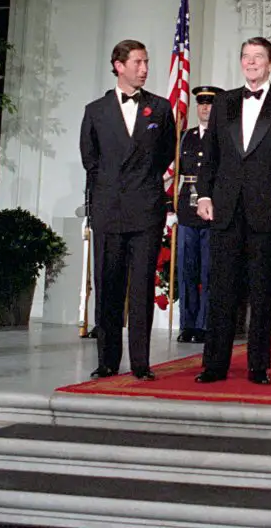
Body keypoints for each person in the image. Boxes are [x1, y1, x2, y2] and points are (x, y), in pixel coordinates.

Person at [194, 37, 271, 386]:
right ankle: (214, 365)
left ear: (270, 63)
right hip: (225, 210)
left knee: (261, 291)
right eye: (246, 56)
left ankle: (258, 367)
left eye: (258, 57)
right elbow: (209, 157)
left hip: (267, 211)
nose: (251, 62)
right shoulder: (224, 102)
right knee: (221, 290)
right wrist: (203, 196)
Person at [80, 39, 176, 380]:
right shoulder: (95, 111)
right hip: (109, 209)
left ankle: (140, 362)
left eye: (146, 62)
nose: (145, 69)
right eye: (138, 62)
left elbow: (166, 153)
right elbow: (90, 160)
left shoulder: (161, 109)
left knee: (141, 290)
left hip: (146, 208)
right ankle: (107, 360)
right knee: (107, 286)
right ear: (119, 65)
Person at [175, 84, 222, 344]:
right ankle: (187, 324)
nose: (205, 108)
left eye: (210, 103)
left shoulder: (222, 137)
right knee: (186, 270)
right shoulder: (185, 137)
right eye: (201, 103)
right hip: (186, 208)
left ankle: (205, 324)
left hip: (213, 207)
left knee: (209, 271)